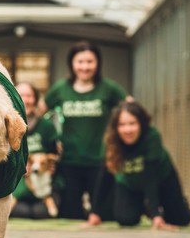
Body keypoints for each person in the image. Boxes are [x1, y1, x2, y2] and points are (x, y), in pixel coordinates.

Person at [38, 41, 128, 219]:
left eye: (90, 61)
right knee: (70, 214)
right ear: (72, 64)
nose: (85, 67)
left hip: (100, 160)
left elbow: (131, 112)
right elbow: (38, 114)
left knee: (105, 215)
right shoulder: (61, 89)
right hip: (70, 161)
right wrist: (50, 142)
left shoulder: (109, 88)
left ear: (97, 64)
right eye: (80, 61)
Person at [88, 101, 190, 229]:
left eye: (132, 123)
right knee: (125, 219)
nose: (127, 130)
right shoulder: (111, 140)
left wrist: (156, 215)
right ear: (116, 127)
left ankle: (174, 205)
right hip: (129, 182)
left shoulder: (152, 137)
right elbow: (104, 176)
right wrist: (95, 212)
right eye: (122, 125)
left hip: (161, 179)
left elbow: (150, 177)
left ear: (141, 124)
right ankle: (143, 208)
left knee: (180, 219)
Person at [10, 82, 60, 219]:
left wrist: (50, 166)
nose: (25, 100)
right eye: (21, 95)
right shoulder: (5, 124)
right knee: (22, 212)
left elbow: (55, 154)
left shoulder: (46, 126)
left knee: (40, 212)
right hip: (15, 186)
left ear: (36, 100)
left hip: (42, 184)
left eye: (29, 96)